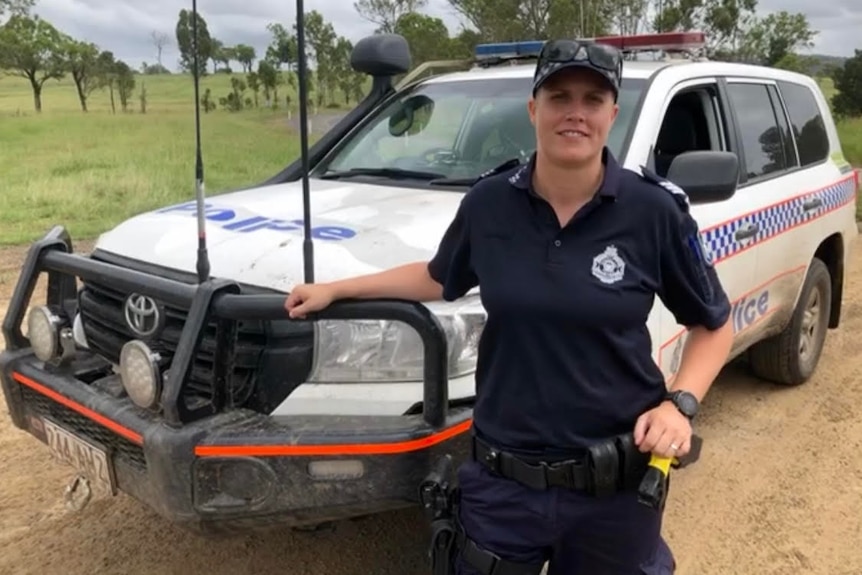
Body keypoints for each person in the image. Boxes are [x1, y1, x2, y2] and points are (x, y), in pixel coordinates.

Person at [285, 39, 734, 575]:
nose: (575, 112)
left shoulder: (654, 211)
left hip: (615, 488)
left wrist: (678, 405)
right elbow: (437, 275)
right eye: (559, 96)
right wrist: (338, 288)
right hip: (502, 484)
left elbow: (713, 324)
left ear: (612, 114)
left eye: (592, 100)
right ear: (533, 109)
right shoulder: (489, 203)